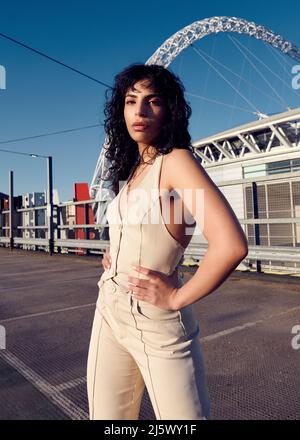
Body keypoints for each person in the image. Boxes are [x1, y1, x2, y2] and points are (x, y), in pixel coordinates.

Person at [86, 63, 248, 420]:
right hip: (109, 310)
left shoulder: (175, 162)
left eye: (152, 101)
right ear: (121, 110)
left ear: (169, 110)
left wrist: (176, 296)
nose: (140, 111)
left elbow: (231, 244)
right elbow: (147, 228)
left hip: (155, 321)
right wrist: (118, 250)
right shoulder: (131, 171)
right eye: (131, 101)